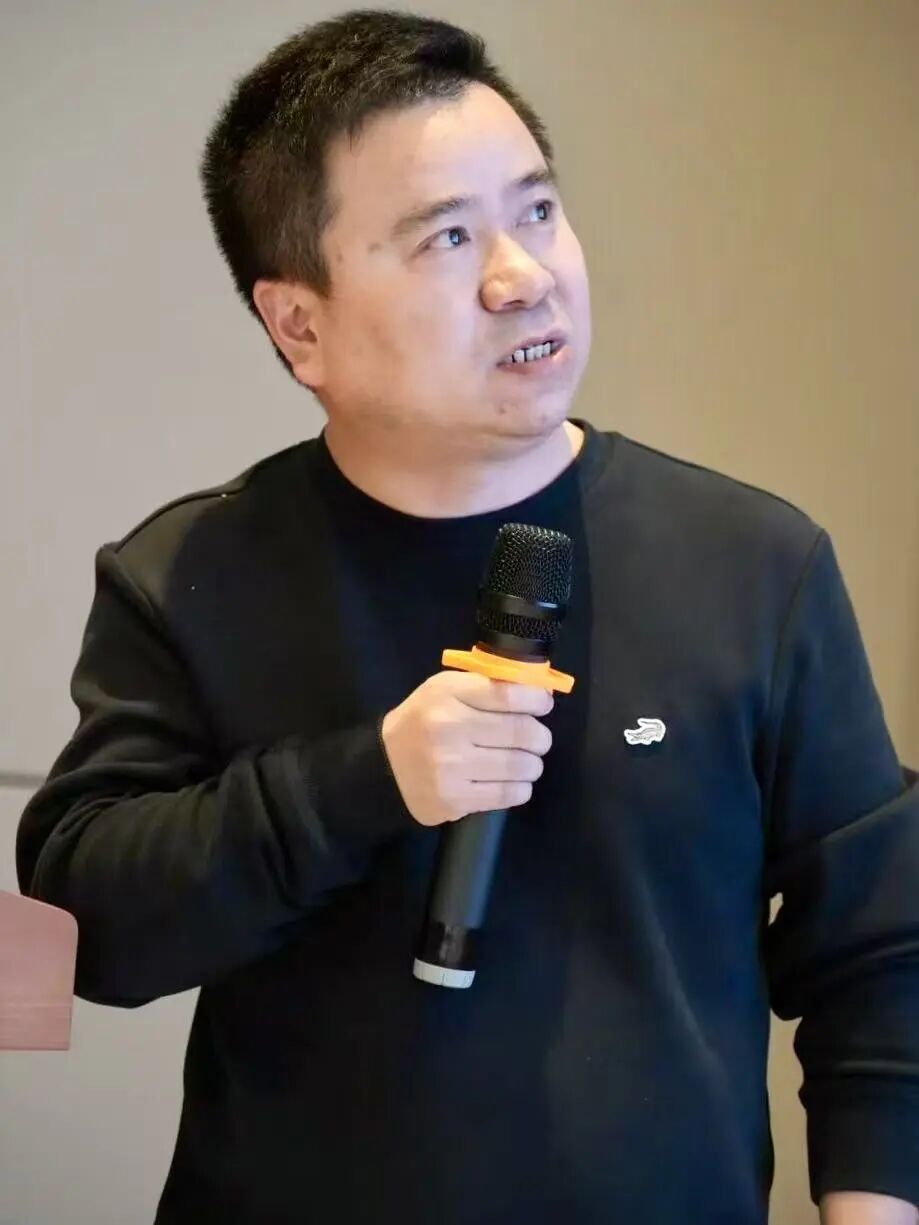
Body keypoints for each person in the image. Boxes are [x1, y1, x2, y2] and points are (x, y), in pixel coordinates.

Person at [15, 10, 919, 1224]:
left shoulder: (754, 564)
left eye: (536, 210)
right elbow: (92, 925)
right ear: (299, 324)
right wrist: (365, 780)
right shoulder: (191, 574)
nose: (522, 275)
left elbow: (883, 951)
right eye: (447, 236)